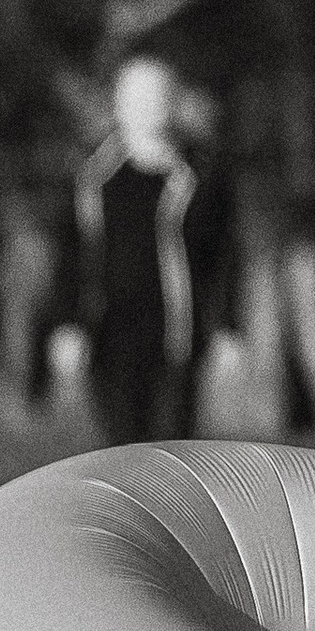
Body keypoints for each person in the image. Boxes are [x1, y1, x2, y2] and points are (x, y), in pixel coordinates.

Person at [56, 54, 218, 443]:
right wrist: (67, 323)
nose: (147, 108)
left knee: (173, 451)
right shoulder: (92, 179)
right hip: (110, 339)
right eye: (136, 98)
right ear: (118, 105)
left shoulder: (202, 177)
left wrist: (227, 326)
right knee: (122, 452)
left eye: (156, 97)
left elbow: (219, 257)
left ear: (173, 102)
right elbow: (73, 255)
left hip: (176, 337)